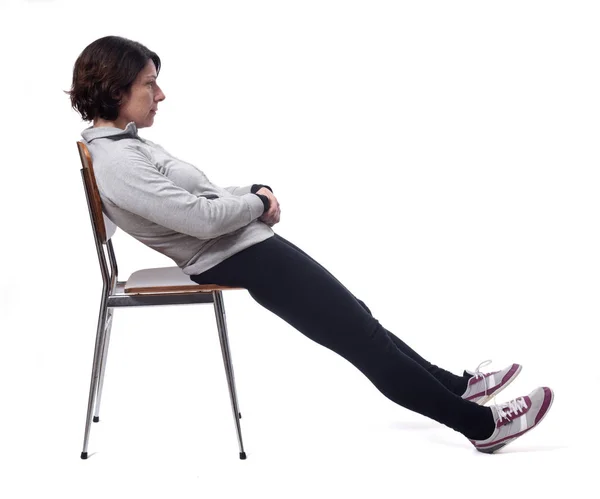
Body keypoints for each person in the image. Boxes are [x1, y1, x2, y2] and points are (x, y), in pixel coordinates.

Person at [68, 35, 554, 454]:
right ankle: (483, 427)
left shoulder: (129, 145)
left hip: (243, 247)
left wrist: (255, 193)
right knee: (359, 339)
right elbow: (199, 219)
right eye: (149, 84)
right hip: (234, 255)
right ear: (115, 90)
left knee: (358, 319)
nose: (161, 94)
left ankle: (460, 388)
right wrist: (258, 204)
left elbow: (203, 196)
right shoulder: (120, 162)